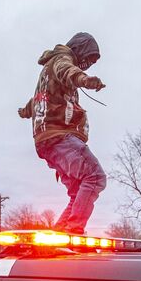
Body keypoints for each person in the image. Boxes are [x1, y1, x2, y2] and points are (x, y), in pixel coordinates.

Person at [18, 32, 107, 235]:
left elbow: (37, 100)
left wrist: (25, 111)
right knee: (94, 177)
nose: (88, 65)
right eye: (88, 59)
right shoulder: (62, 59)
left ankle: (60, 235)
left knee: (78, 191)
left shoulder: (48, 76)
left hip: (46, 141)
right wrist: (84, 80)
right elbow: (68, 71)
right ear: (79, 50)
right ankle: (74, 230)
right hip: (60, 136)